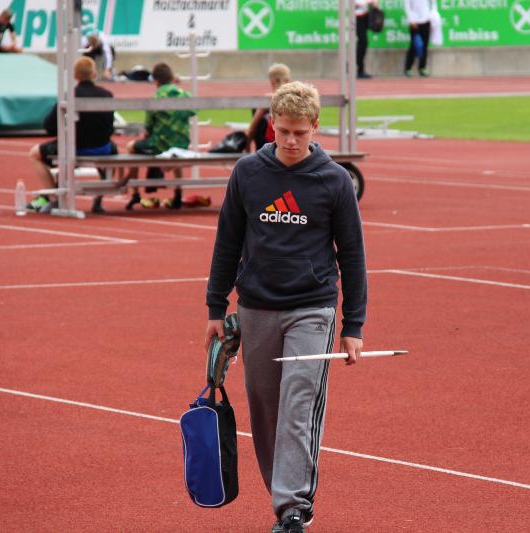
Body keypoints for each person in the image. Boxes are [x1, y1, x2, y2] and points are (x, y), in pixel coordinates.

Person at [204, 81, 367, 533]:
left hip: (312, 309)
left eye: (300, 132)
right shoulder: (247, 173)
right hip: (257, 307)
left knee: (298, 404)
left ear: (315, 126)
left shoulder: (334, 180)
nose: (291, 141)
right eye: (283, 131)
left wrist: (353, 325)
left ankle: (293, 508)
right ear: (271, 124)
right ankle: (283, 499)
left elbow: (353, 255)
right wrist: (215, 307)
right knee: (265, 412)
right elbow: (227, 242)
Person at [28, 57, 116, 214]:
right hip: (102, 148)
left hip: (75, 147)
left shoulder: (69, 96)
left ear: (75, 75)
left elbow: (50, 127)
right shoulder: (107, 95)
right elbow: (110, 126)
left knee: (34, 153)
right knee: (114, 150)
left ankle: (54, 198)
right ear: (94, 74)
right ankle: (99, 197)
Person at [124, 62, 195, 210]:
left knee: (131, 147)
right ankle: (178, 193)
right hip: (182, 144)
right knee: (176, 151)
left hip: (159, 145)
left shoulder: (157, 97)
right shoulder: (185, 95)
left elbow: (148, 128)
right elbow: (193, 111)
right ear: (172, 77)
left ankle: (135, 193)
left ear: (156, 81)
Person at [246, 63, 291, 152]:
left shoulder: (269, 99)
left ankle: (260, 151)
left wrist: (247, 146)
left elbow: (252, 127)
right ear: (288, 80)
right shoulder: (295, 99)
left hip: (269, 146)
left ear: (272, 82)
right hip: (288, 142)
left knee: (257, 111)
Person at [404, 0, 432, 76]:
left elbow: (432, 4)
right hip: (414, 21)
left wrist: (431, 16)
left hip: (426, 20)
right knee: (414, 45)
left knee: (425, 45)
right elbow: (407, 7)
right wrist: (411, 20)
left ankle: (422, 67)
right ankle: (408, 68)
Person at [355, 0, 378, 79]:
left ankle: (359, 69)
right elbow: (355, 4)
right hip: (357, 17)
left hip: (365, 16)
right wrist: (369, 2)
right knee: (362, 41)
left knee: (363, 43)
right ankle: (356, 66)